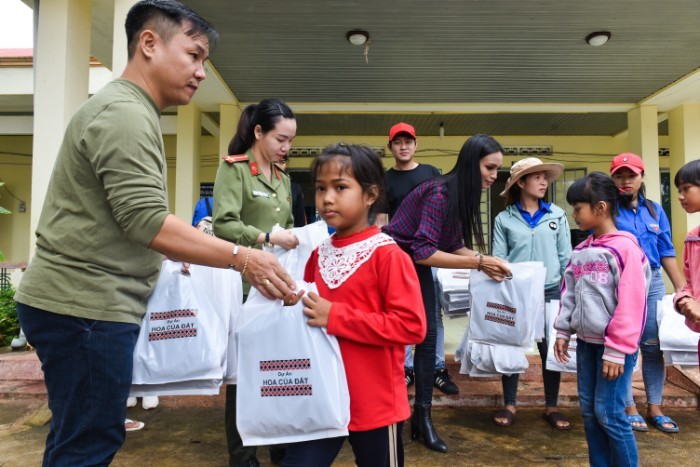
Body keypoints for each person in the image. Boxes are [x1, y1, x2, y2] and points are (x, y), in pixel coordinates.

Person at [13, 2, 298, 465]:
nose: (201, 72)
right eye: (194, 55)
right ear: (149, 43)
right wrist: (245, 257)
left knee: (80, 436)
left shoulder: (130, 110)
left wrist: (172, 250)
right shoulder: (125, 114)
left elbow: (125, 218)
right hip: (85, 305)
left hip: (87, 304)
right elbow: (146, 220)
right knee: (88, 442)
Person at [283, 144, 426, 467]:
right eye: (321, 188)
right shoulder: (317, 255)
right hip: (321, 397)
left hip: (375, 403)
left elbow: (411, 326)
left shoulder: (388, 255)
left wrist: (336, 316)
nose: (327, 198)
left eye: (340, 187)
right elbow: (308, 315)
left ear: (370, 195)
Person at [383, 134, 512, 453]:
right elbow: (423, 251)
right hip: (392, 264)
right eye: (490, 167)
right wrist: (480, 262)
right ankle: (389, 417)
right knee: (397, 339)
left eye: (497, 169)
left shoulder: (458, 194)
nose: (494, 176)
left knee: (427, 338)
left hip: (413, 264)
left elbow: (453, 245)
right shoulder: (439, 192)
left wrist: (486, 262)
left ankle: (422, 416)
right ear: (471, 164)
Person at [213, 98, 299, 467]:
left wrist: (295, 238)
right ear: (259, 132)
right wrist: (265, 237)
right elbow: (223, 224)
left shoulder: (283, 178)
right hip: (244, 285)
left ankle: (278, 441)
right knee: (243, 377)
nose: (286, 147)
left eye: (291, 141)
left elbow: (289, 225)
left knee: (278, 369)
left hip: (276, 286)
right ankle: (243, 456)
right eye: (281, 139)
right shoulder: (235, 169)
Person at [554, 172, 651, 467]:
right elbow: (569, 294)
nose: (574, 215)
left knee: (609, 414)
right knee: (589, 412)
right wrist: (563, 331)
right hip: (587, 346)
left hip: (614, 351)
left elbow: (632, 303)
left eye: (578, 208)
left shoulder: (625, 249)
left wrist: (617, 349)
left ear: (600, 208)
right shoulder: (580, 251)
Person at [375, 122, 457, 396]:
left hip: (430, 252)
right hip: (399, 256)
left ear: (415, 144)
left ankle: (437, 368)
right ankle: (406, 368)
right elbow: (381, 221)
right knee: (402, 312)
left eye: (408, 142)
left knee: (434, 313)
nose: (403, 147)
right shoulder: (385, 179)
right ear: (390, 147)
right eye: (398, 142)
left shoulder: (431, 173)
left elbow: (444, 213)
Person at [492, 157, 572, 429]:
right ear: (521, 183)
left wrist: (567, 294)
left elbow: (565, 258)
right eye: (536, 177)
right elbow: (500, 257)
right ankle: (509, 404)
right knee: (512, 346)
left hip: (551, 291)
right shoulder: (504, 218)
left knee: (551, 348)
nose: (543, 181)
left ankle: (551, 406)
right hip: (517, 292)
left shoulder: (556, 215)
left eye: (544, 177)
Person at [609, 153, 685, 434]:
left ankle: (655, 407)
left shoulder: (655, 211)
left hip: (652, 281)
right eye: (620, 176)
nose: (626, 181)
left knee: (653, 346)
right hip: (621, 281)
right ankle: (628, 406)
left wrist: (681, 289)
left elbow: (666, 250)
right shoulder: (608, 210)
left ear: (641, 177)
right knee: (626, 344)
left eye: (631, 175)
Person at [673, 160, 700, 348]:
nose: (680, 197)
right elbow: (690, 284)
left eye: (686, 188)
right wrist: (683, 299)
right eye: (679, 190)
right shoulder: (693, 238)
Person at [277, 155, 307, 227]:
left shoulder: (295, 188)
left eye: (282, 162)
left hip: (288, 231)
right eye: (274, 162)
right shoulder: (257, 184)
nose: (278, 166)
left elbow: (300, 220)